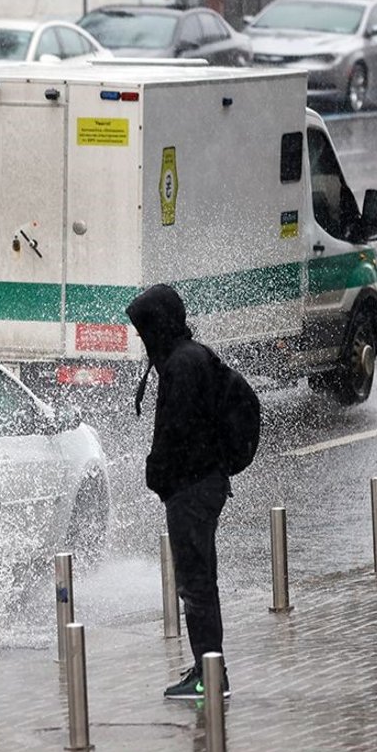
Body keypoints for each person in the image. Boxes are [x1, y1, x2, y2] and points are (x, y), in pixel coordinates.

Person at [126, 283, 232, 700]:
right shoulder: (187, 356)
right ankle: (208, 664)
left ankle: (211, 676)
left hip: (192, 489)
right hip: (201, 484)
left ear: (159, 324)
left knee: (196, 584)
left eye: (144, 329)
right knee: (200, 581)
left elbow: (177, 434)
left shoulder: (182, 366)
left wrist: (158, 475)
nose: (141, 339)